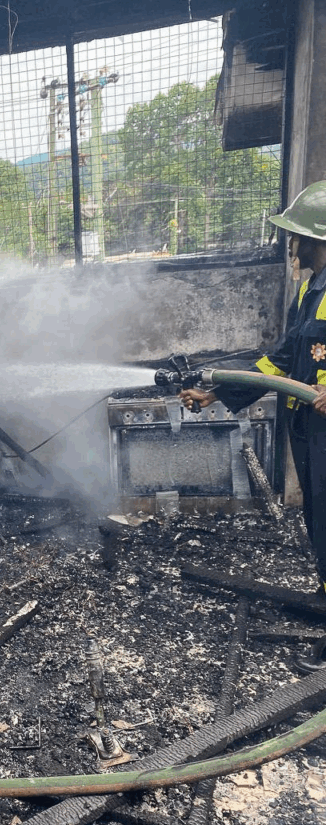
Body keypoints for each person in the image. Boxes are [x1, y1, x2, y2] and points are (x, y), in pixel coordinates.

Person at [179, 182, 326, 668]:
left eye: (297, 236)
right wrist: (218, 391)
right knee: (320, 519)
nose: (291, 244)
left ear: (318, 239)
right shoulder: (310, 290)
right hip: (309, 427)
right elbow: (280, 360)